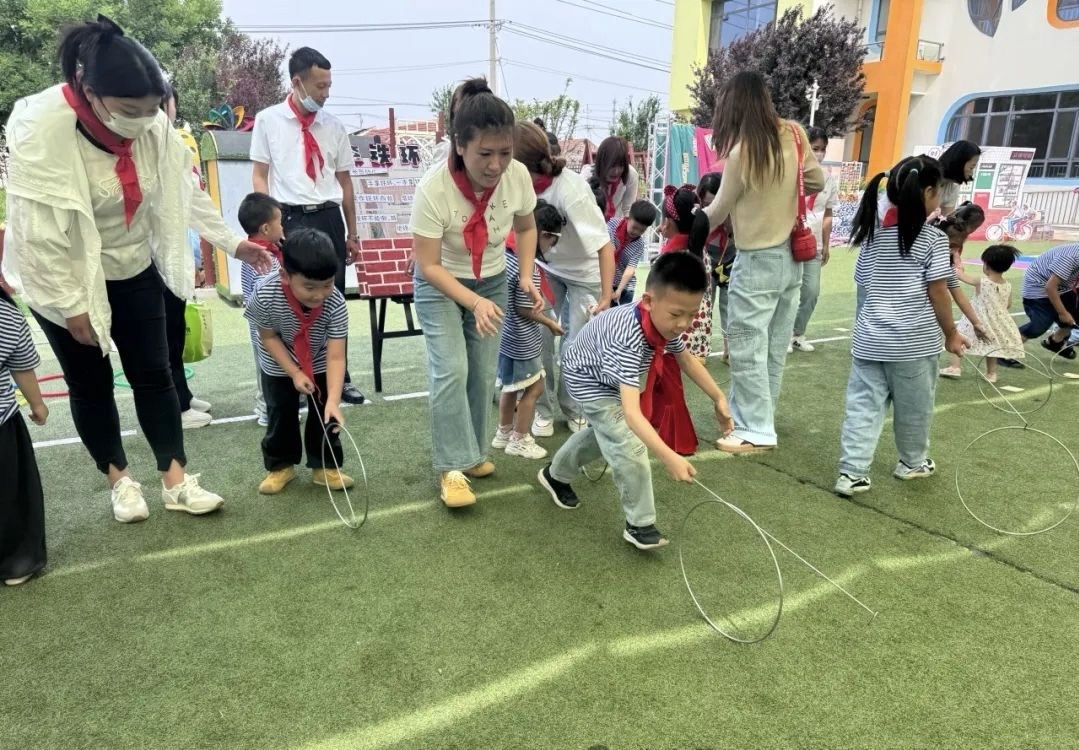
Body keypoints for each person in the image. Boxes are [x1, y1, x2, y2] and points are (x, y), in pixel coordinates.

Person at [2, 18, 274, 524]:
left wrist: (234, 243)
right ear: (89, 91)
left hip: (132, 262)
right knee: (90, 381)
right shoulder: (39, 127)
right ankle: (120, 481)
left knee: (155, 372)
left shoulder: (152, 125)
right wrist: (72, 307)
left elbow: (184, 190)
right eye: (131, 111)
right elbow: (36, 234)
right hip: (64, 274)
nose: (144, 121)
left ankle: (175, 480)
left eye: (152, 110)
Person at [537, 252, 734, 550]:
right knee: (630, 443)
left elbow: (686, 360)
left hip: (609, 374)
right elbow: (631, 414)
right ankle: (640, 525)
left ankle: (554, 475)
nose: (683, 324)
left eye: (692, 314)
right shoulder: (628, 337)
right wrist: (668, 456)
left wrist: (719, 398)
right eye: (677, 314)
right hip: (588, 379)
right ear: (648, 301)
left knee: (607, 433)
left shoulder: (663, 322)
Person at [410, 78, 540, 508]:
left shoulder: (517, 177)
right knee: (451, 368)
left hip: (493, 280)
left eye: (505, 152)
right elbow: (429, 265)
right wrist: (474, 300)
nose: (496, 165)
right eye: (485, 154)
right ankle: (451, 468)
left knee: (483, 372)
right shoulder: (433, 189)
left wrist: (525, 275)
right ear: (460, 145)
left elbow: (526, 227)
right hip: (440, 284)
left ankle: (472, 453)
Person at [702, 71, 825, 454]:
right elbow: (816, 182)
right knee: (773, 346)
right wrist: (784, 191)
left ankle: (756, 429)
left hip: (757, 258)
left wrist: (688, 219)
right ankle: (760, 420)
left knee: (745, 344)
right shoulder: (794, 134)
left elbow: (718, 210)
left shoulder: (742, 153)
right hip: (793, 256)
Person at [835, 155, 969, 498]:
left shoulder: (873, 238)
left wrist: (867, 328)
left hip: (870, 342)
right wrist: (951, 334)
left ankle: (852, 473)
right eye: (939, 190)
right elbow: (938, 291)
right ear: (929, 192)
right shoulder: (933, 240)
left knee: (862, 407)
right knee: (914, 408)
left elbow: (863, 286)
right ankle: (912, 463)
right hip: (913, 345)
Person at [250, 46, 365, 406]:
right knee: (294, 297)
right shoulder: (268, 120)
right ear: (297, 82)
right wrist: (269, 225)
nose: (326, 94)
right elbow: (260, 174)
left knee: (331, 296)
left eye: (329, 86)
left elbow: (345, 182)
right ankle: (295, 375)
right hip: (288, 217)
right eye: (319, 86)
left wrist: (352, 233)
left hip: (328, 216)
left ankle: (338, 378)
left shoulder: (334, 126)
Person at [514, 121, 615, 434]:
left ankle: (573, 409)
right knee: (538, 337)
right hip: (547, 269)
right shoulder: (516, 185)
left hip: (585, 274)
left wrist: (605, 296)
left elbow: (604, 245)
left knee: (574, 345)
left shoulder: (571, 190)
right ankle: (542, 410)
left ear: (526, 165)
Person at [244, 228, 352, 495]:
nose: (319, 295)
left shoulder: (336, 302)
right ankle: (280, 466)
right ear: (285, 275)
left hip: (320, 360)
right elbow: (268, 337)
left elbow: (336, 356)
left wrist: (334, 401)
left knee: (325, 414)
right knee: (280, 412)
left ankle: (325, 465)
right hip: (278, 361)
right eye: (309, 287)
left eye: (327, 284)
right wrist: (293, 372)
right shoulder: (265, 294)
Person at [493, 201, 565, 460]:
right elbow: (525, 309)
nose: (552, 247)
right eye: (553, 240)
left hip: (505, 339)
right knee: (535, 388)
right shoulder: (528, 268)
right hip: (523, 341)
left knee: (509, 386)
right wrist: (550, 323)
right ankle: (520, 438)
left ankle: (504, 432)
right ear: (542, 235)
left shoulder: (505, 257)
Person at [160, 82, 213, 430]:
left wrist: (195, 258)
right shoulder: (149, 149)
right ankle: (174, 407)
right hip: (153, 262)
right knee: (163, 338)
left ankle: (182, 393)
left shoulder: (175, 147)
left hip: (174, 258)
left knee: (175, 331)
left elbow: (193, 208)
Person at [0, 287, 47, 586]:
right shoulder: (6, 313)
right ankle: (18, 560)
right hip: (2, 425)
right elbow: (22, 365)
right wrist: (37, 403)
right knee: (11, 493)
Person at [939, 244, 1024, 382]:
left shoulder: (981, 281)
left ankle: (955, 367)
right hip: (997, 321)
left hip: (975, 319)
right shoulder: (1007, 285)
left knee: (959, 337)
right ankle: (991, 374)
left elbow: (958, 274)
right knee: (992, 345)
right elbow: (1008, 304)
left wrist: (955, 256)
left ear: (987, 266)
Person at [790, 127, 839, 353]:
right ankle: (782, 335)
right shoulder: (791, 174)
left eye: (822, 149)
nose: (819, 153)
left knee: (811, 291)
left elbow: (828, 213)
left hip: (814, 243)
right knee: (788, 290)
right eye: (815, 148)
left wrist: (826, 244)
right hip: (789, 241)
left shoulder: (828, 180)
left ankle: (797, 334)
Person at [239, 192, 286, 426]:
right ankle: (268, 408)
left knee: (273, 363)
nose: (283, 227)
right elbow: (266, 293)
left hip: (268, 322)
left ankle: (273, 405)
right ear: (266, 228)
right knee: (269, 364)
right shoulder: (262, 257)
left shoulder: (264, 251)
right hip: (267, 324)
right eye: (280, 222)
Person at [1016, 243, 1079, 359]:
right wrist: (1063, 313)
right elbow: (1050, 287)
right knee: (1039, 325)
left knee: (1075, 316)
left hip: (1063, 287)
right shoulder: (1072, 257)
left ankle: (1055, 342)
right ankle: (1005, 350)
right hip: (1038, 286)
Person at [697, 172, 734, 363]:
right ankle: (700, 350)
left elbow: (736, 232)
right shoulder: (698, 210)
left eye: (714, 203)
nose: (710, 207)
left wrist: (726, 220)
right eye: (706, 203)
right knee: (704, 305)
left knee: (730, 307)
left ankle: (729, 350)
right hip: (706, 260)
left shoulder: (734, 207)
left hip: (730, 259)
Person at [609, 200, 657, 306]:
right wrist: (608, 285)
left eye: (642, 230)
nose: (636, 232)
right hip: (606, 280)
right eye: (634, 227)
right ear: (628, 218)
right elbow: (608, 256)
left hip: (625, 288)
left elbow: (630, 269)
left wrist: (619, 290)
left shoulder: (639, 244)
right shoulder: (612, 225)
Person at [581, 136, 639, 221]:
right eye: (612, 166)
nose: (616, 171)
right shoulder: (587, 175)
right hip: (590, 222)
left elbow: (628, 210)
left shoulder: (631, 174)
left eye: (621, 165)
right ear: (602, 162)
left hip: (615, 224)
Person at [937, 140, 981, 217]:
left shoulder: (953, 186)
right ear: (959, 162)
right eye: (971, 167)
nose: (971, 174)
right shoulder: (927, 178)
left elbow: (947, 217)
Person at [935, 202, 985, 268]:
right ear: (971, 226)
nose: (974, 230)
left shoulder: (950, 224)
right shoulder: (956, 235)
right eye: (975, 227)